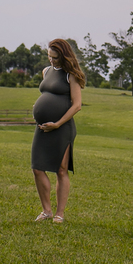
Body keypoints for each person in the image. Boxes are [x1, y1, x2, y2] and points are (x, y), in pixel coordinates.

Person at [31, 38, 84, 224]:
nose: (51, 60)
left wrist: (58, 123)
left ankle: (59, 214)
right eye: (49, 56)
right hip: (43, 128)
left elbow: (77, 106)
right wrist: (39, 108)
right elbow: (48, 94)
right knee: (37, 168)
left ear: (63, 55)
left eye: (54, 57)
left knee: (61, 170)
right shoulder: (46, 71)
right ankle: (46, 211)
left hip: (62, 128)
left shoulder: (71, 75)